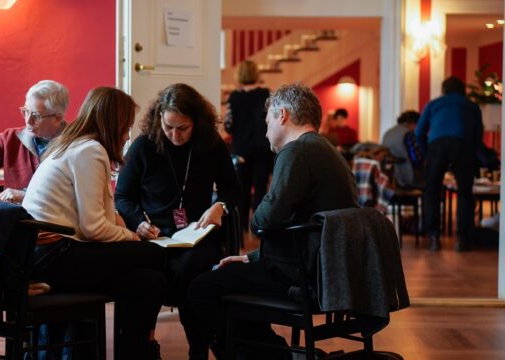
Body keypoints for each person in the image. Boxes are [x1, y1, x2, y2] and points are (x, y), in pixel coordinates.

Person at [189, 83, 358, 359]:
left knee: (201, 288)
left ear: (282, 115)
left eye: (267, 122)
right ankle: (273, 353)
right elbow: (305, 229)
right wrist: (252, 258)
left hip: (303, 278)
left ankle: (265, 355)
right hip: (327, 273)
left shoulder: (296, 151)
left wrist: (257, 217)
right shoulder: (327, 151)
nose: (266, 132)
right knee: (232, 280)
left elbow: (263, 222)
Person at [22, 86, 168, 359]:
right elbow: (93, 228)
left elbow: (101, 215)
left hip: (41, 254)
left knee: (149, 280)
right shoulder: (90, 151)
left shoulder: (73, 145)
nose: (127, 136)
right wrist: (133, 239)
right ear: (112, 124)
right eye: (125, 127)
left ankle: (138, 351)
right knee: (155, 255)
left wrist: (125, 230)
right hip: (52, 254)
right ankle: (143, 349)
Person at [115, 83, 240, 359]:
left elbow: (232, 189)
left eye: (182, 128)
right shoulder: (145, 146)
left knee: (191, 267)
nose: (174, 135)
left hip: (196, 232)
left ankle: (199, 347)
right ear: (159, 119)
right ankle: (139, 349)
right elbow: (122, 196)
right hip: (154, 235)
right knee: (141, 273)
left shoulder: (210, 144)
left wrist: (219, 206)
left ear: (196, 121)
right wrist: (137, 222)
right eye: (168, 126)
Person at [415, 76, 483, 252]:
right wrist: (471, 154)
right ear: (462, 89)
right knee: (464, 193)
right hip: (463, 144)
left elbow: (419, 132)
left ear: (444, 89)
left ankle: (433, 238)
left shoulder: (434, 104)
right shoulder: (471, 105)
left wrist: (426, 152)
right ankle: (462, 238)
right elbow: (477, 136)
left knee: (432, 191)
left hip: (437, 145)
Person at [224, 60, 274, 229]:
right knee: (260, 189)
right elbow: (271, 119)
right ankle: (258, 227)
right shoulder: (266, 94)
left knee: (242, 190)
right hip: (263, 148)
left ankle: (242, 228)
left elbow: (228, 125)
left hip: (241, 150)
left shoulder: (234, 97)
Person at [381, 110, 424, 188]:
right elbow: (416, 159)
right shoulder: (408, 134)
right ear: (413, 123)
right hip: (406, 176)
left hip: (390, 177)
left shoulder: (387, 133)